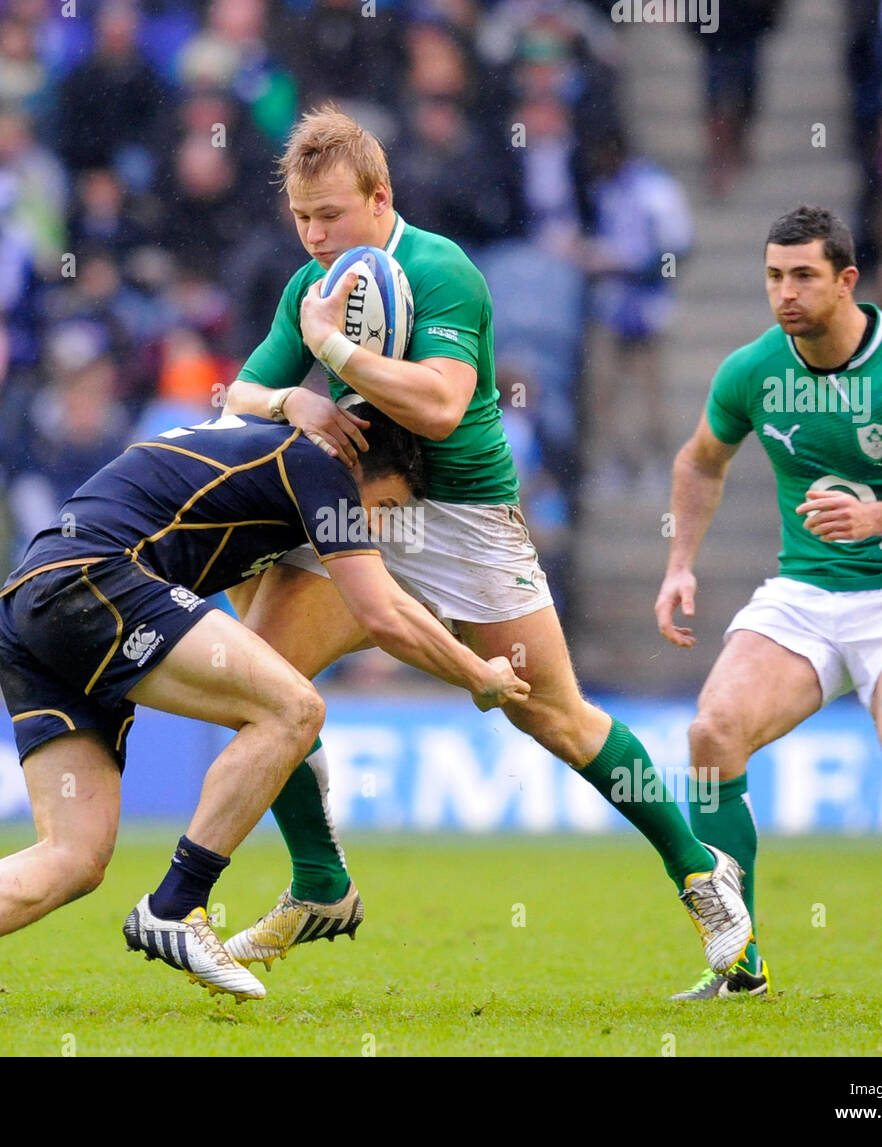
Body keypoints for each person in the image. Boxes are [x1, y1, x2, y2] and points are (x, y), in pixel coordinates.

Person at [220, 105, 751, 980]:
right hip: (369, 508)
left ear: (380, 197)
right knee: (258, 680)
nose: (314, 236)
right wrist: (294, 399)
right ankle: (320, 883)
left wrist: (331, 357)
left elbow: (436, 403)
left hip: (467, 518)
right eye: (302, 217)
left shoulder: (441, 270)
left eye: (331, 215)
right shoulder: (308, 289)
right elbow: (238, 392)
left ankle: (700, 870)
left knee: (554, 716)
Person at [0, 407, 530, 1012]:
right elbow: (380, 609)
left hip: (31, 607)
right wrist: (479, 674)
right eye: (387, 506)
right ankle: (176, 906)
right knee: (294, 709)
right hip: (94, 578)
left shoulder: (258, 462)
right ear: (361, 467)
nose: (382, 526)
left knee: (76, 854)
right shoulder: (318, 467)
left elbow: (261, 621)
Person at [655, 204, 882, 999]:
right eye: (774, 276)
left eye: (804, 276)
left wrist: (878, 518)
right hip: (805, 594)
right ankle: (739, 964)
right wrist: (681, 562)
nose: (785, 293)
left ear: (846, 280)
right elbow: (700, 460)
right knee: (713, 732)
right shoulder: (753, 369)